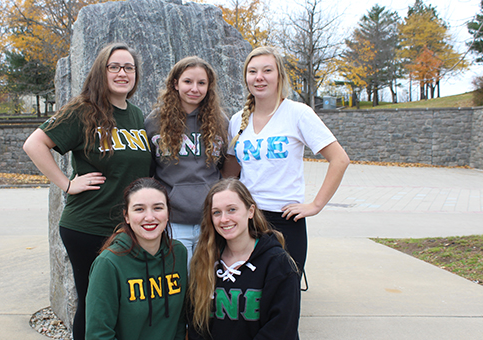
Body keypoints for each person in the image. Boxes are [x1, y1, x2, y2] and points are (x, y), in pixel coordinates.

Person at [22, 43, 151, 340]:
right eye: (114, 67)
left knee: (124, 302)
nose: (122, 73)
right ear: (100, 71)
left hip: (127, 229)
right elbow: (34, 144)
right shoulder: (84, 110)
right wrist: (67, 183)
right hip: (89, 226)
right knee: (94, 302)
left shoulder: (135, 115)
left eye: (128, 67)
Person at [223, 46, 350, 278]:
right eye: (252, 72)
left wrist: (315, 205)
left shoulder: (298, 113)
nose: (259, 77)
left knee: (284, 294)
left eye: (267, 70)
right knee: (247, 292)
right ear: (246, 79)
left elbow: (340, 159)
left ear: (279, 75)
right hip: (247, 219)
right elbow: (231, 172)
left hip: (285, 219)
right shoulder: (237, 120)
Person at [188, 178, 301, 340]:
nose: (224, 219)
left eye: (232, 209)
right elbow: (196, 325)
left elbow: (282, 328)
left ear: (251, 211)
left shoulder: (278, 263)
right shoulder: (205, 260)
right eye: (216, 212)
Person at [145, 56, 228, 265]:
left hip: (210, 219)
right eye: (188, 81)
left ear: (209, 87)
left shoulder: (220, 122)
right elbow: (149, 170)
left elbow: (225, 167)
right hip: (173, 219)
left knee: (207, 282)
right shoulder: (155, 121)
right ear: (175, 83)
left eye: (202, 83)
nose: (195, 89)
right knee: (178, 282)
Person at [85, 177, 188, 340]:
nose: (149, 217)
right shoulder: (109, 263)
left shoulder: (178, 253)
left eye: (158, 208)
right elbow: (98, 334)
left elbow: (179, 324)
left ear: (168, 213)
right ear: (126, 216)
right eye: (139, 209)